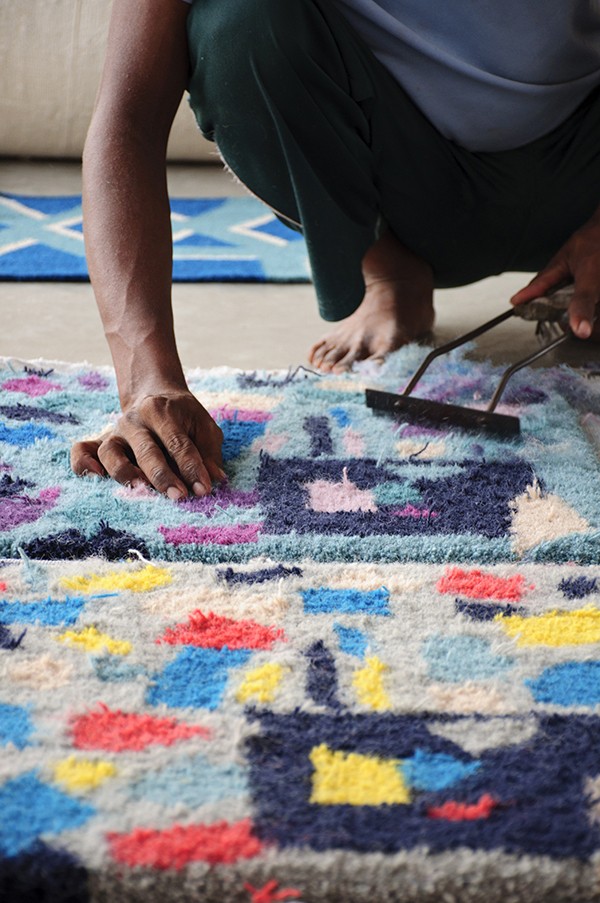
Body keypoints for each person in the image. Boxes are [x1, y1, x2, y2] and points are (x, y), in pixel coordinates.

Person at [71, 0, 600, 500]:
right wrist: (147, 379)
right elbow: (128, 119)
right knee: (238, 25)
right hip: (405, 188)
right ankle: (390, 269)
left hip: (581, 171)